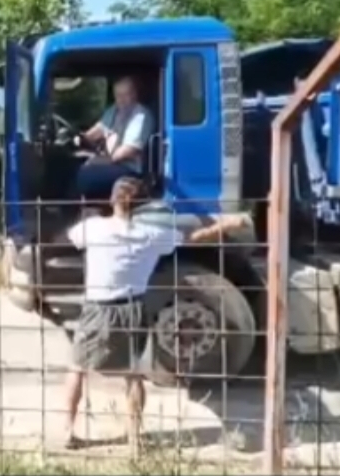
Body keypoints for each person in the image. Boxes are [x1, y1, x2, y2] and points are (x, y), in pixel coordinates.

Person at [60, 177, 250, 451]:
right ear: (142, 206)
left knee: (77, 368)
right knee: (133, 375)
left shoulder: (92, 228)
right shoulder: (151, 235)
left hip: (97, 309)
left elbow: (71, 237)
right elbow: (195, 238)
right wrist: (229, 224)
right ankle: (135, 439)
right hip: (132, 308)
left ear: (112, 200)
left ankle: (68, 431)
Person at [74, 76, 154, 202]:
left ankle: (69, 208)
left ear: (134, 94)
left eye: (125, 95)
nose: (121, 100)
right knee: (72, 165)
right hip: (111, 162)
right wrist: (81, 138)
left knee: (85, 176)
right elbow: (99, 129)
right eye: (118, 95)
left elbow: (127, 151)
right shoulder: (114, 110)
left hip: (129, 169)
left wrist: (99, 161)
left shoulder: (141, 115)